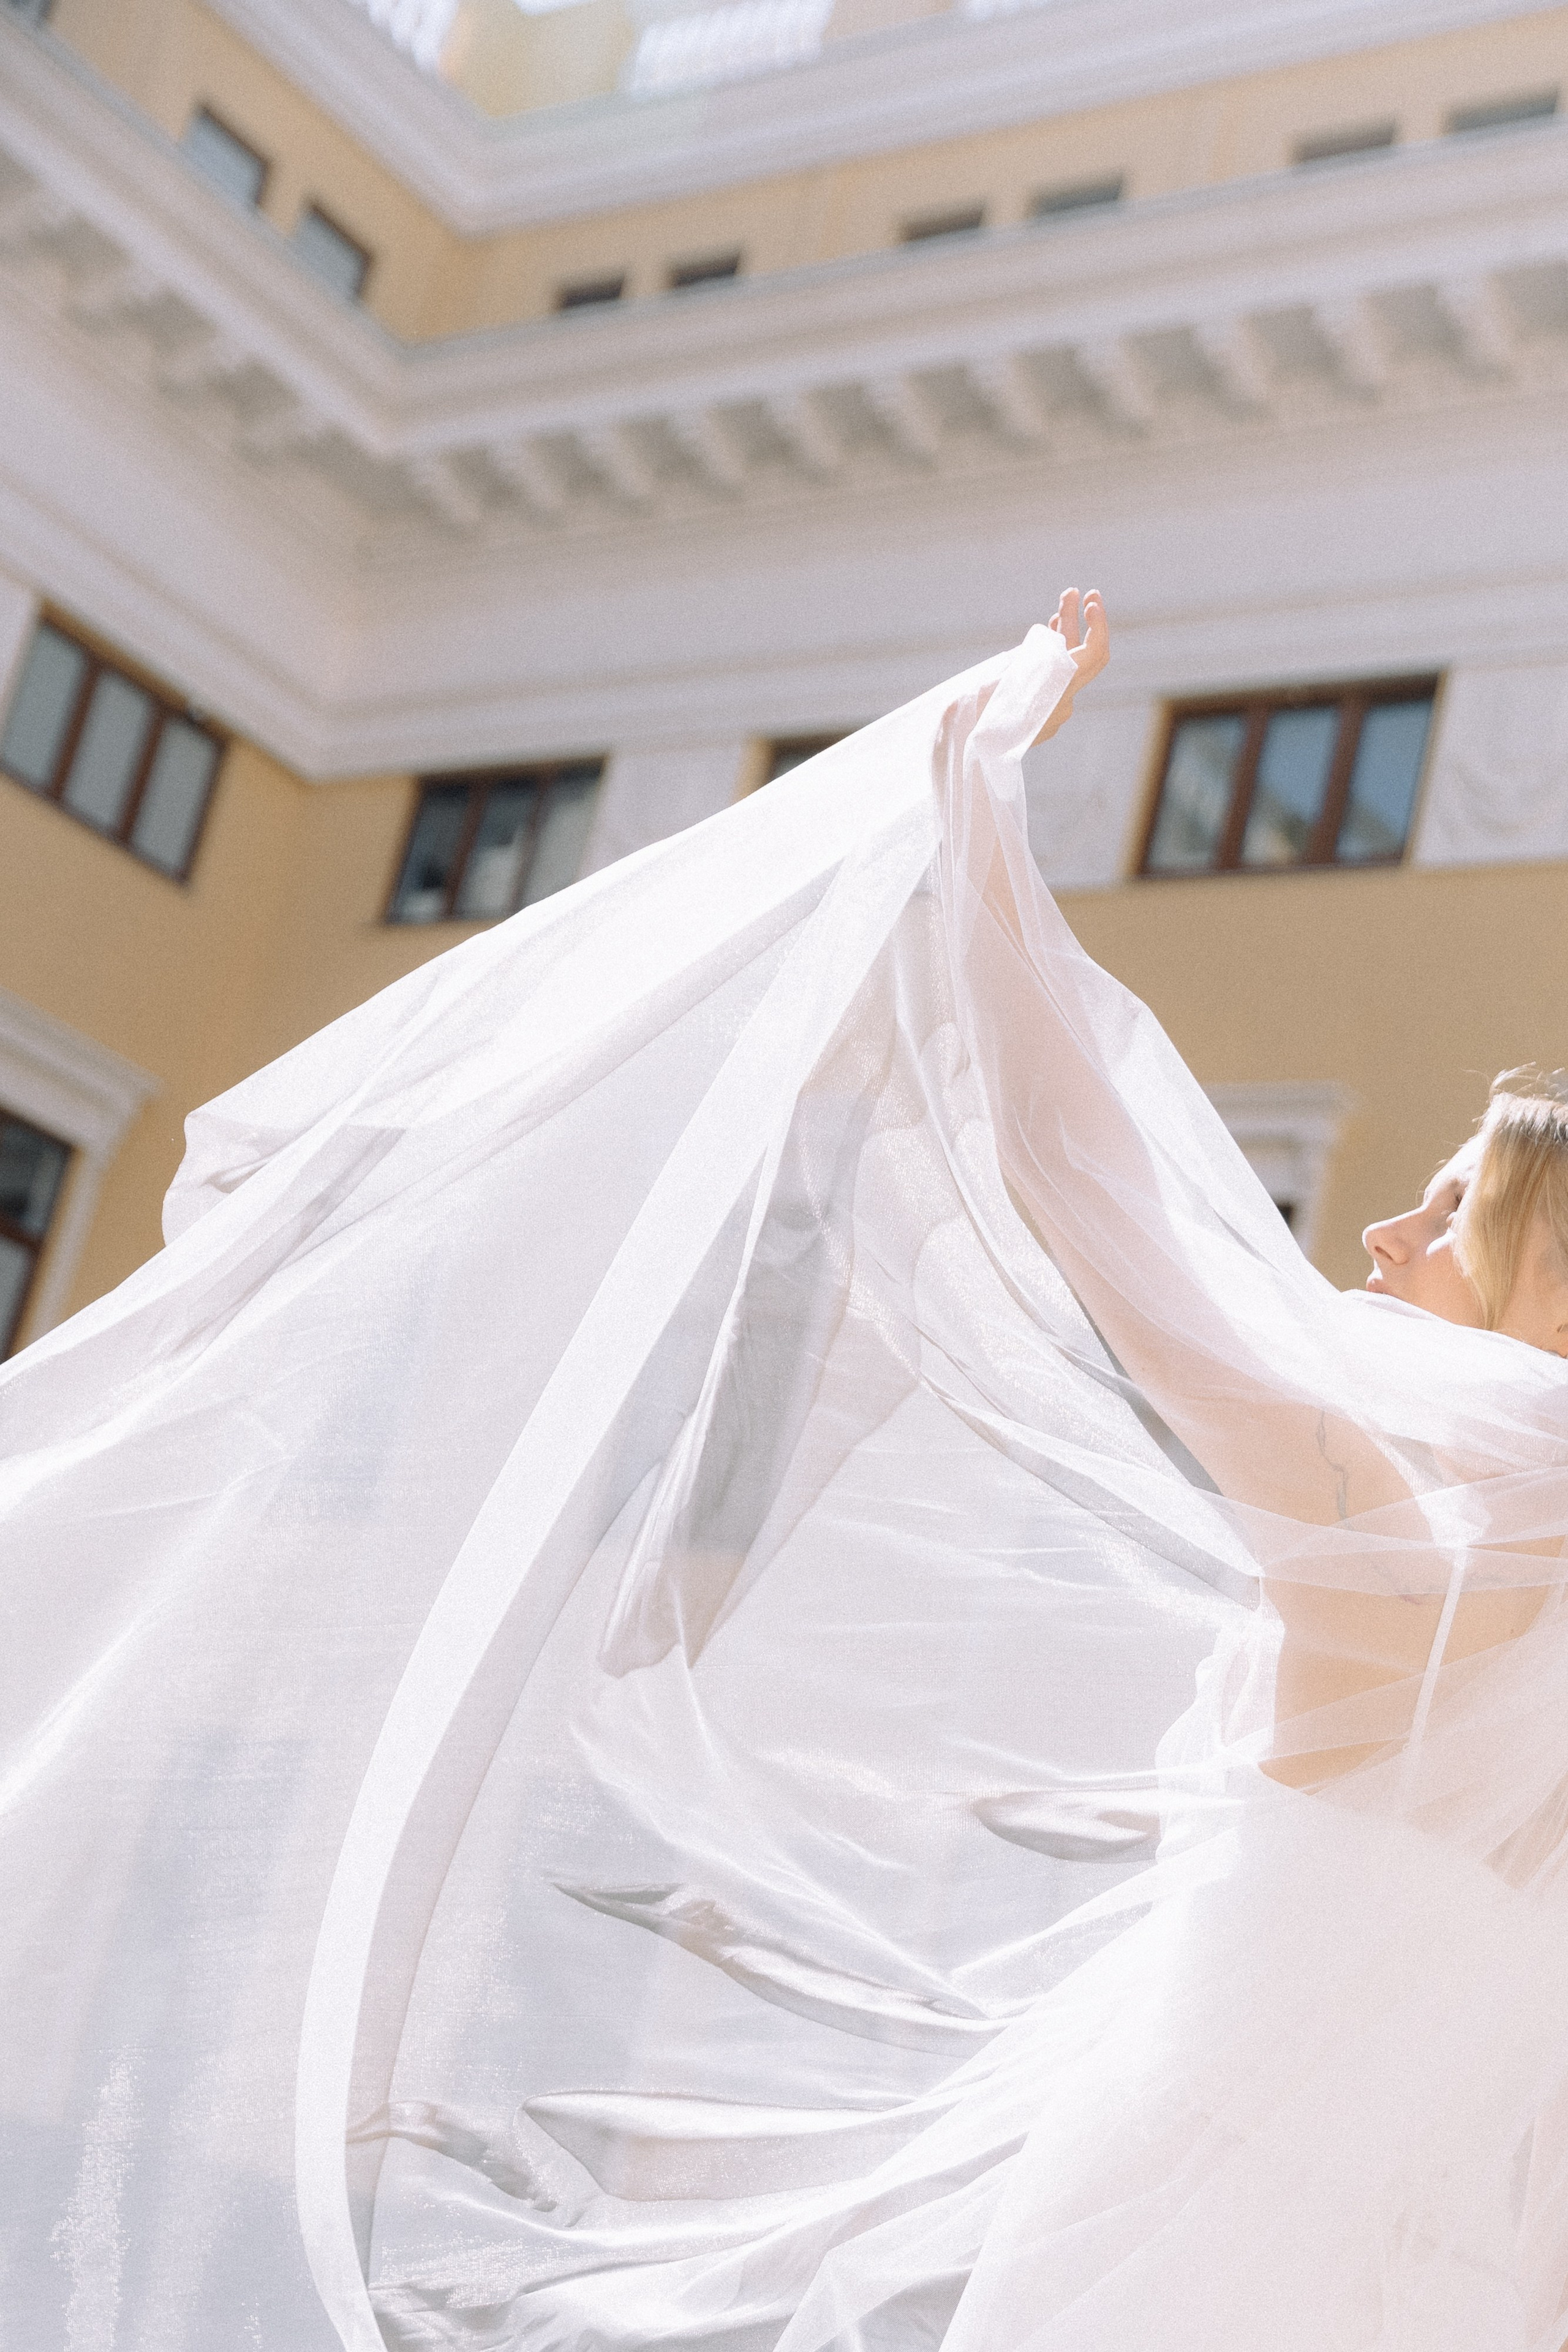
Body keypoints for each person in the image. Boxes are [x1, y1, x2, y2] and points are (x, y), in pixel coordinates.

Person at [2, 597, 1566, 2352]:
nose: (1383, 1232)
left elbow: (1084, 1180)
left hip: (1169, 2244)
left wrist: (976, 819)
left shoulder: (1388, 1550)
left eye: (1450, 1213)